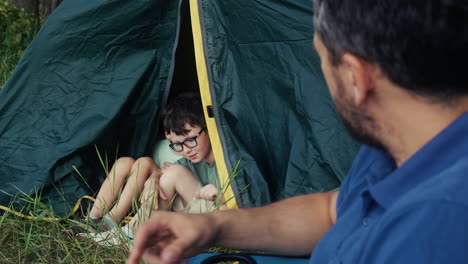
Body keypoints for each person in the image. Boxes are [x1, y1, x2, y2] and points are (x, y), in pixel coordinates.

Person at [127, 0, 468, 263]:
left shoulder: (440, 225)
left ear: (354, 76)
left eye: (320, 60)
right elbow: (332, 212)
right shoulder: (398, 143)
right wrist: (214, 226)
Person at [76, 93, 226, 242]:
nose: (186, 150)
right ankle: (105, 224)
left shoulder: (229, 159)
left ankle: (127, 233)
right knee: (145, 166)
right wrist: (154, 178)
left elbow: (245, 200)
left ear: (209, 127)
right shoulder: (189, 162)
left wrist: (220, 195)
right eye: (178, 145)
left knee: (171, 171)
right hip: (194, 214)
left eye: (190, 140)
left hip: (223, 222)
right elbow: (164, 172)